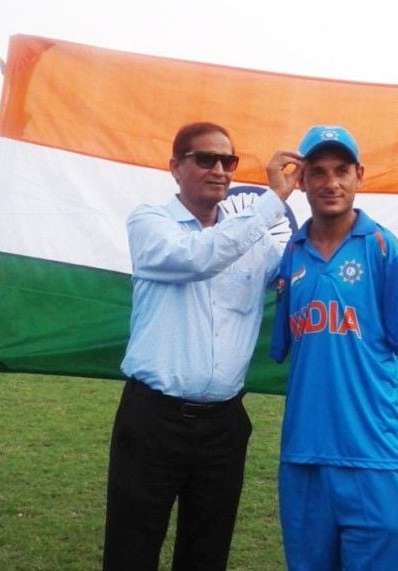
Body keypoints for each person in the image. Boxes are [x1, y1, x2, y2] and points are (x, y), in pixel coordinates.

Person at [104, 122, 297, 570]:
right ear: (175, 167)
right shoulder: (150, 222)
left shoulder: (257, 243)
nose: (219, 170)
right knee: (130, 552)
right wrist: (274, 201)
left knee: (207, 555)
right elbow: (197, 257)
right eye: (204, 159)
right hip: (153, 420)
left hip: (223, 426)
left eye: (227, 161)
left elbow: (297, 278)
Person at [268, 125, 398, 570]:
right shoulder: (291, 254)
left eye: (341, 170)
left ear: (360, 175)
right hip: (303, 457)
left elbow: (394, 345)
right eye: (317, 172)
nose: (330, 183)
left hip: (373, 457)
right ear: (302, 181)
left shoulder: (383, 248)